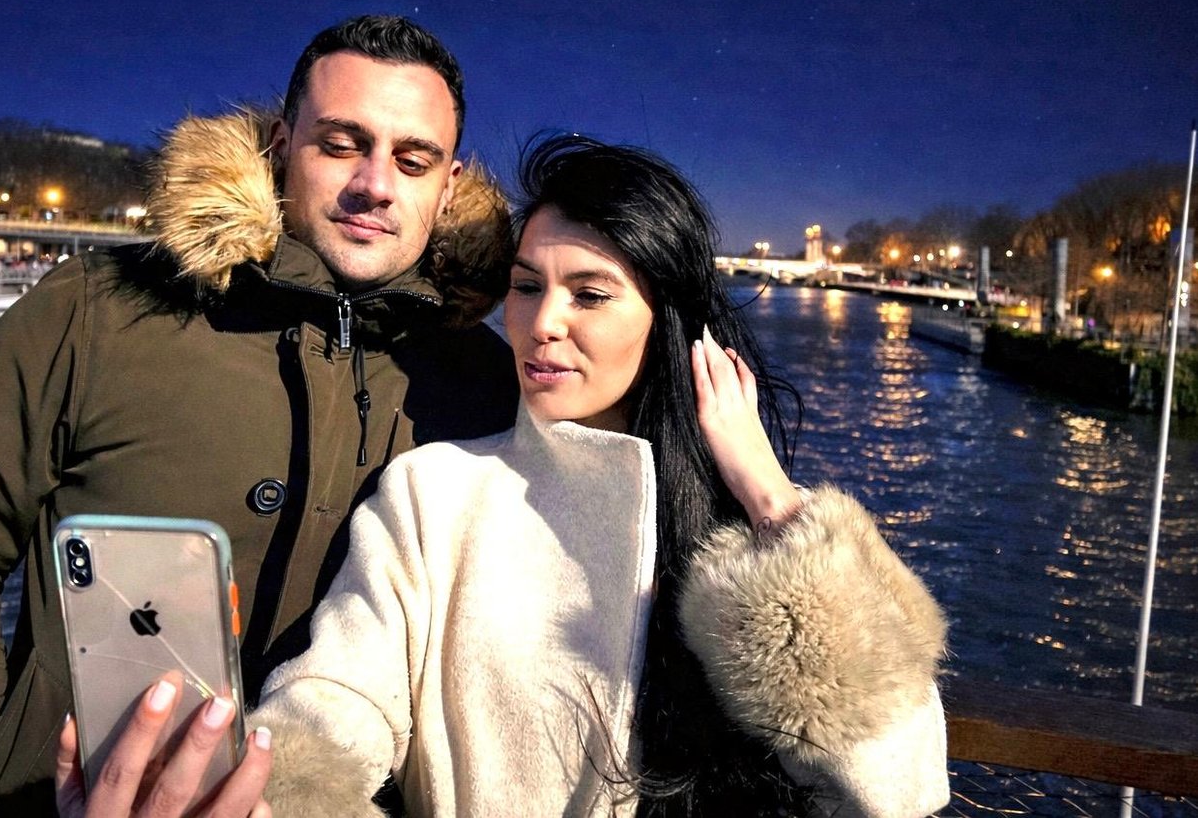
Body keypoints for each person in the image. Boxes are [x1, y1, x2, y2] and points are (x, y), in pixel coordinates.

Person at [0, 15, 519, 816]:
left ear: (447, 185)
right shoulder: (99, 310)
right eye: (341, 145)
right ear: (283, 146)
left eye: (413, 160)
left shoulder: (489, 379)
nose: (374, 184)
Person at [249, 134, 951, 817]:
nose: (542, 323)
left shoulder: (756, 533)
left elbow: (897, 790)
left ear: (664, 319)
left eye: (588, 294)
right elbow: (340, 694)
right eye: (527, 286)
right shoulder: (434, 493)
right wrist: (280, 784)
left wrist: (767, 492)